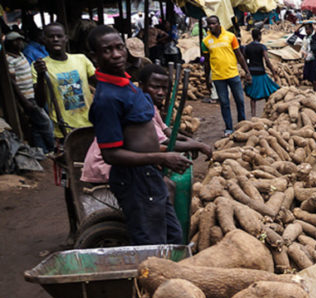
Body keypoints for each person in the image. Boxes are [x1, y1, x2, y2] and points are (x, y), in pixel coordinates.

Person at [85, 26, 191, 246]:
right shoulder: (107, 99)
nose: (116, 54)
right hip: (134, 180)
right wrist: (161, 157)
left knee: (173, 237)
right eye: (107, 50)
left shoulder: (127, 86)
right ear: (95, 57)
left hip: (149, 175)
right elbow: (111, 154)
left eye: (119, 47)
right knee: (151, 244)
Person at [82, 63, 212, 185]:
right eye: (155, 87)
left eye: (164, 88)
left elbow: (167, 132)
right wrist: (198, 145)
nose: (160, 93)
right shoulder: (138, 110)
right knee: (166, 186)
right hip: (105, 165)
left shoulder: (151, 106)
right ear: (142, 86)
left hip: (125, 161)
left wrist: (190, 141)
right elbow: (165, 142)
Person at [32, 23, 96, 138]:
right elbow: (40, 102)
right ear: (44, 40)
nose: (55, 39)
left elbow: (99, 82)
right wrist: (41, 76)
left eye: (59, 36)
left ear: (66, 38)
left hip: (90, 123)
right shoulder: (40, 65)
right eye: (51, 37)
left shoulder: (81, 59)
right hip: (64, 130)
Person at [5, 32, 55, 153]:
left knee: (36, 127)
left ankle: (42, 151)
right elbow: (13, 83)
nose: (19, 43)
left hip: (32, 94)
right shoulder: (9, 59)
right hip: (26, 98)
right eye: (15, 41)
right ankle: (54, 147)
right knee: (45, 123)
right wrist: (24, 101)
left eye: (20, 40)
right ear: (9, 44)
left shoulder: (20, 55)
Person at [203, 16, 250, 136]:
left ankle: (242, 124)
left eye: (213, 23)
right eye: (209, 24)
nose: (211, 26)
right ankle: (229, 128)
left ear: (219, 23)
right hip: (218, 77)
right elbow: (207, 62)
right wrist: (206, 78)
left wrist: (247, 71)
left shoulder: (230, 36)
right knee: (224, 103)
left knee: (239, 100)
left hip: (233, 74)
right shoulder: (206, 41)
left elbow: (239, 55)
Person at [243, 28, 280, 117]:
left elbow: (244, 60)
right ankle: (268, 112)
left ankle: (253, 115)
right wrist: (273, 73)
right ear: (259, 36)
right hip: (261, 72)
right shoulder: (262, 47)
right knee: (268, 92)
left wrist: (247, 71)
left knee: (253, 96)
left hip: (252, 73)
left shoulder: (247, 47)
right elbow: (267, 60)